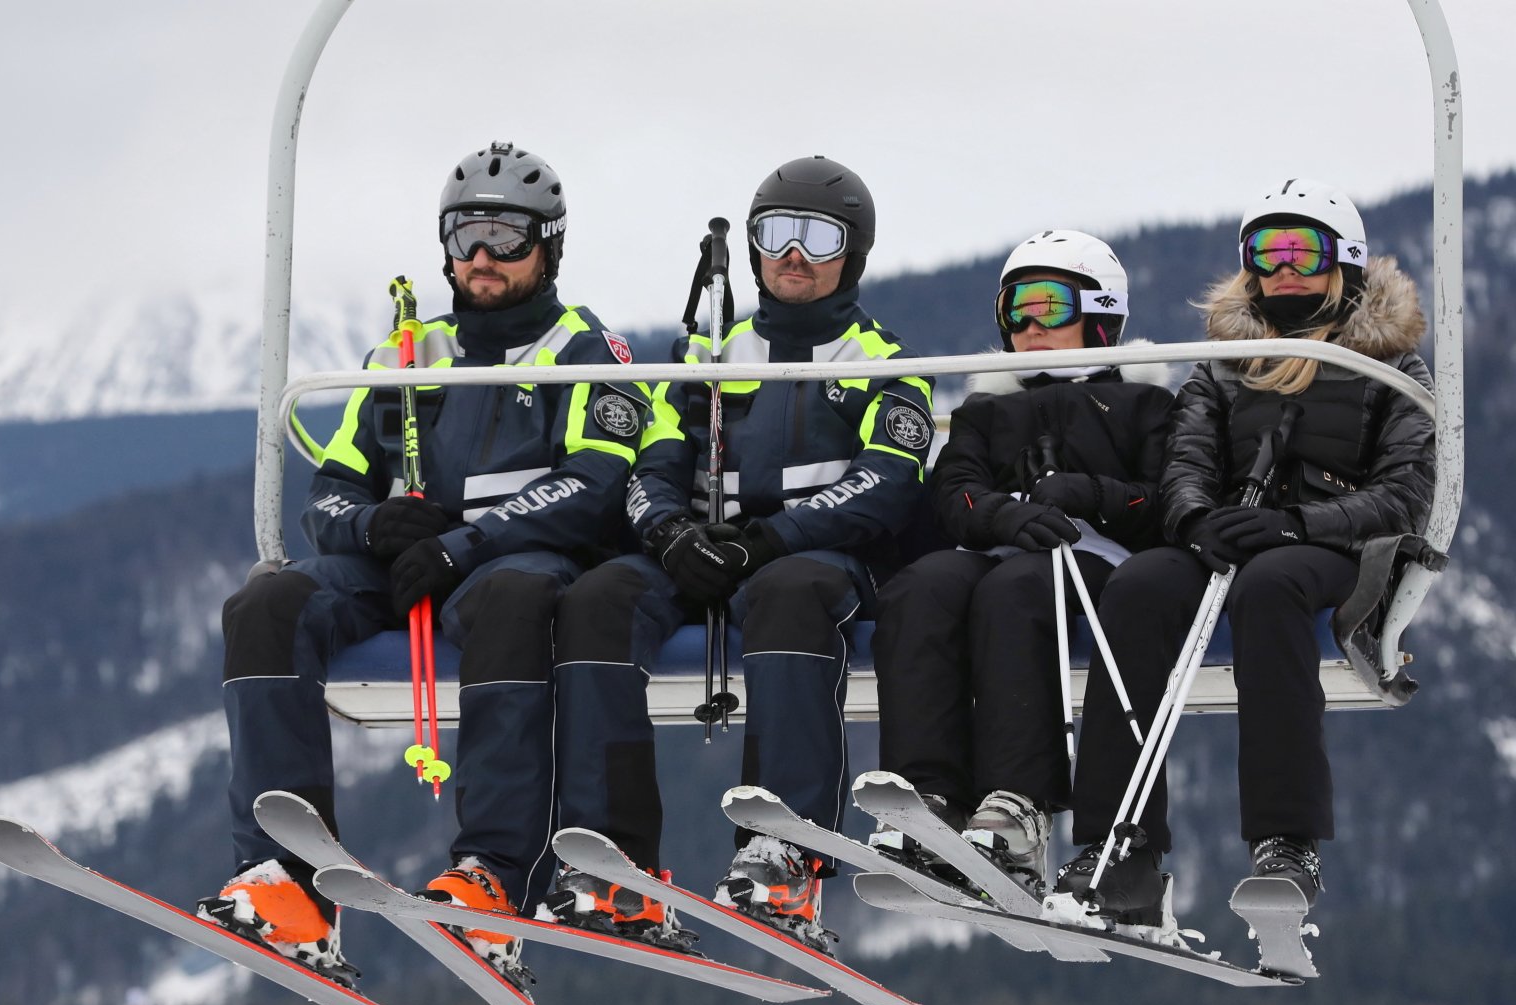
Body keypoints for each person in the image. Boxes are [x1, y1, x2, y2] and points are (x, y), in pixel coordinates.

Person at [197, 142, 643, 980]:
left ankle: (494, 878)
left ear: (548, 246)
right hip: (407, 566)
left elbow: (594, 483)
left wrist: (463, 543)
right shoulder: (407, 356)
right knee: (267, 606)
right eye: (466, 236)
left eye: (507, 238)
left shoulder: (589, 352)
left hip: (517, 562)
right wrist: (376, 530)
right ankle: (285, 879)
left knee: (513, 598)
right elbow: (328, 494)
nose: (482, 258)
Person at [544, 156, 935, 952]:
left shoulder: (881, 361)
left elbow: (886, 482)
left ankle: (784, 849)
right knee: (598, 601)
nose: (794, 255)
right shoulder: (706, 357)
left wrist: (773, 539)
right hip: (701, 553)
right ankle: (613, 859)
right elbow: (648, 467)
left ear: (850, 255)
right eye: (776, 234)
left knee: (790, 593)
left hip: (811, 558)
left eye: (817, 238)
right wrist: (670, 536)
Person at [1052, 179, 1435, 927]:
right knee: (1134, 587)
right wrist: (1195, 522)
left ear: (1345, 265)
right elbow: (1185, 462)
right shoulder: (1224, 367)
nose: (1282, 268)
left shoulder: (1392, 371)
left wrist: (1302, 522)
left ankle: (1285, 842)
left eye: (1301, 251)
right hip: (1231, 532)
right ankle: (1117, 847)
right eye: (1266, 252)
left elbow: (1406, 491)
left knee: (1271, 586)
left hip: (1332, 547)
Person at [869, 230, 1176, 892]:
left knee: (1016, 591)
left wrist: (1092, 496)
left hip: (1098, 561)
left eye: (1049, 306)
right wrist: (1003, 515)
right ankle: (928, 795)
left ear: (1100, 314)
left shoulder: (1144, 402)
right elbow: (956, 490)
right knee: (921, 587)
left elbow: (1165, 499)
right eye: (1014, 310)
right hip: (1000, 548)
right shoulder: (991, 406)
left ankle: (1019, 804)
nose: (1029, 326)